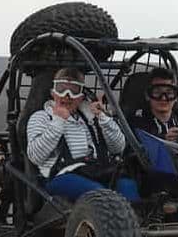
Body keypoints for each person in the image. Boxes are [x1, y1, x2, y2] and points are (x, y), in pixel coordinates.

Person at [26, 68, 139, 202]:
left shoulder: (90, 118)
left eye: (73, 90)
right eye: (61, 89)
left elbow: (118, 148)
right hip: (61, 175)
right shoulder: (41, 118)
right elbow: (35, 156)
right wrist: (58, 121)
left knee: (127, 186)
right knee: (100, 195)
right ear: (53, 93)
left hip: (96, 171)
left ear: (81, 97)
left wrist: (103, 118)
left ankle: (136, 221)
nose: (66, 96)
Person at [130, 67, 178, 141]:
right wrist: (164, 139)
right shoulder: (136, 123)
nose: (163, 98)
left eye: (169, 93)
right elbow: (140, 143)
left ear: (176, 97)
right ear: (147, 95)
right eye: (157, 93)